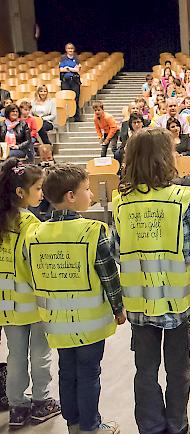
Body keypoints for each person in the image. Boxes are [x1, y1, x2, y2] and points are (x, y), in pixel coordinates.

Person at [111, 128, 190, 434]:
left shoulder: (121, 201)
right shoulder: (183, 197)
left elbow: (118, 250)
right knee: (178, 371)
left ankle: (149, 427)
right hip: (176, 304)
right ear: (164, 158)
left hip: (138, 303)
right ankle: (177, 425)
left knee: (144, 371)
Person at [25, 164, 125, 434]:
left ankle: (74, 423)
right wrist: (119, 309)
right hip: (90, 324)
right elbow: (109, 277)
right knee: (89, 373)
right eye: (87, 190)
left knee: (66, 371)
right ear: (71, 196)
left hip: (56, 323)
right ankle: (92, 426)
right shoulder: (95, 230)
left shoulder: (34, 234)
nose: (91, 195)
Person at [0, 160, 60, 429]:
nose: (42, 193)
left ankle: (16, 406)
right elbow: (38, 264)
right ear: (21, 193)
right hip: (34, 304)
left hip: (6, 303)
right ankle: (40, 401)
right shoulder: (29, 223)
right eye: (38, 188)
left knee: (15, 355)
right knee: (40, 354)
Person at [59, 43, 82, 122]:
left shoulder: (76, 58)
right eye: (69, 49)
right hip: (65, 81)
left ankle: (77, 117)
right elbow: (61, 69)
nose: (70, 50)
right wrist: (72, 68)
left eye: (71, 49)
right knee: (65, 99)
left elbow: (77, 70)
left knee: (76, 99)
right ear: (66, 50)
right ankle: (66, 117)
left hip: (75, 81)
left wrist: (68, 68)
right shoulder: (63, 58)